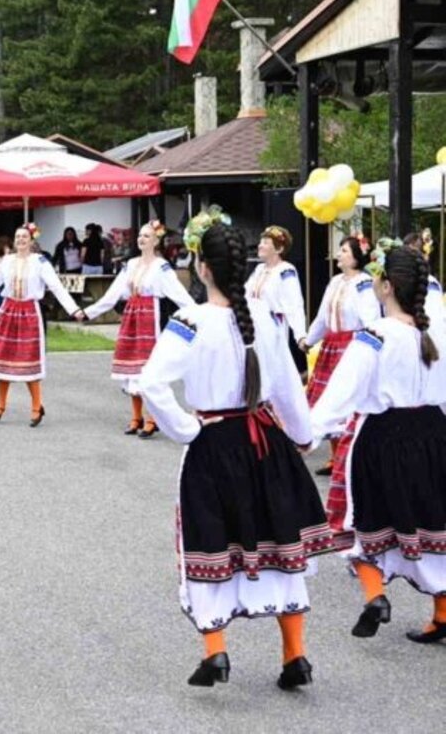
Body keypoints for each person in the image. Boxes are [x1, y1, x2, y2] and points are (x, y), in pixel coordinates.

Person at [138, 222, 335, 690]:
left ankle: (216, 653)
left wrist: (187, 429)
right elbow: (287, 385)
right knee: (277, 542)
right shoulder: (265, 317)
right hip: (265, 441)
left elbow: (150, 382)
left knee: (212, 543)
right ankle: (295, 655)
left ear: (202, 269)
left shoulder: (189, 322)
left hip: (215, 442)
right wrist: (303, 438)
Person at [311, 243, 446, 645]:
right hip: (434, 435)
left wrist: (307, 434)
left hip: (383, 436)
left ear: (386, 286)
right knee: (434, 522)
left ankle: (376, 596)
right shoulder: (437, 331)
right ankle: (441, 612)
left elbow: (342, 392)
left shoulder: (374, 335)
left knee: (366, 521)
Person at [74, 220, 195, 438]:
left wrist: (199, 315)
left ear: (156, 241)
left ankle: (151, 419)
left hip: (151, 316)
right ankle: (136, 417)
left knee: (148, 368)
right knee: (131, 368)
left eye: (147, 236)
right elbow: (113, 294)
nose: (141, 239)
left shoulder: (161, 267)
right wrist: (89, 311)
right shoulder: (130, 265)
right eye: (140, 235)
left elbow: (179, 294)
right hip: (132, 317)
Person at [0, 225, 81, 426]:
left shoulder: (40, 262)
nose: (20, 240)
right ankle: (0, 404)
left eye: (24, 236)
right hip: (8, 311)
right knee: (3, 358)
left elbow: (56, 286)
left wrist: (74, 309)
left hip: (29, 312)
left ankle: (36, 406)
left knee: (29, 359)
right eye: (17, 237)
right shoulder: (6, 261)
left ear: (32, 240)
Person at [298, 236, 379, 476]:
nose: (339, 254)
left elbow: (370, 319)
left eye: (344, 250)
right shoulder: (335, 281)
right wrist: (308, 340)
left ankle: (350, 456)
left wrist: (368, 346)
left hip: (352, 344)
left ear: (356, 257)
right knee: (328, 398)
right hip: (332, 343)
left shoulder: (364, 283)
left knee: (347, 399)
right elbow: (323, 316)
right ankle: (335, 457)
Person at [246, 226, 308, 376]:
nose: (260, 245)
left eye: (266, 242)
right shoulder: (260, 269)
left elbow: (294, 304)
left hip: (273, 326)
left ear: (279, 249)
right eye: (261, 242)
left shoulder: (286, 270)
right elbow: (245, 294)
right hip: (253, 326)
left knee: (271, 370)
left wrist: (300, 335)